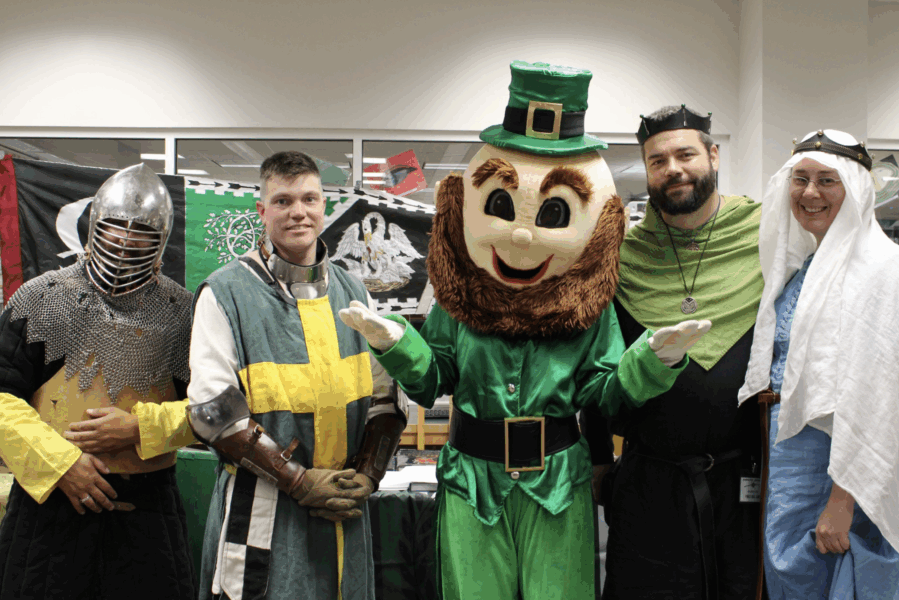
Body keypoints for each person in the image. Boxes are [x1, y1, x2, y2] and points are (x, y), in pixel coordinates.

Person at [340, 62, 710, 600]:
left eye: (555, 212)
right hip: (472, 480)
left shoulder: (590, 306)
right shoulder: (460, 297)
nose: (521, 232)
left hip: (558, 481)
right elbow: (432, 379)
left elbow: (601, 393)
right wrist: (397, 343)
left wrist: (652, 360)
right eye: (499, 205)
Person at [186, 150, 407, 600]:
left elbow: (386, 396)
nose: (298, 212)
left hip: (344, 507)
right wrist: (300, 481)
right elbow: (213, 411)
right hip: (264, 511)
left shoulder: (353, 288)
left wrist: (367, 474)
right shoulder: (225, 292)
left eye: (309, 198)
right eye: (283, 201)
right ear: (262, 210)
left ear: (324, 205)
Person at [582, 105, 766, 599]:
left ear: (713, 155)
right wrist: (600, 459)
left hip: (742, 483)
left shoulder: (765, 235)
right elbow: (592, 365)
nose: (673, 169)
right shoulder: (621, 255)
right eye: (657, 160)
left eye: (685, 154)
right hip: (649, 482)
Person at [0, 163, 196, 599]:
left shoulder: (182, 314)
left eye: (140, 233)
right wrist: (61, 464)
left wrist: (140, 428)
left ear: (160, 242)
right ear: (94, 228)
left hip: (146, 515)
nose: (125, 242)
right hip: (49, 511)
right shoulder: (43, 298)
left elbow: (213, 409)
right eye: (114, 228)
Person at [738, 129, 899, 598]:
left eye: (827, 180)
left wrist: (843, 498)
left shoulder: (881, 270)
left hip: (837, 472)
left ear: (855, 190)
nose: (810, 193)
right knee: (793, 574)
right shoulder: (806, 266)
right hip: (792, 465)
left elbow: (880, 393)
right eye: (801, 179)